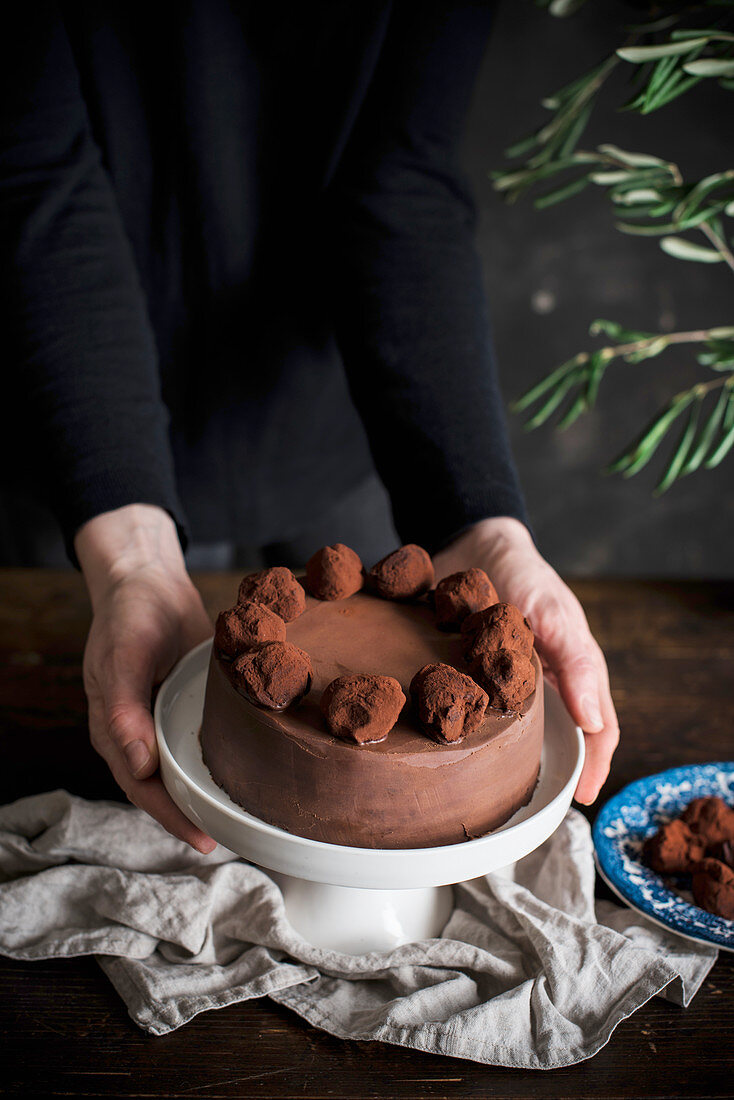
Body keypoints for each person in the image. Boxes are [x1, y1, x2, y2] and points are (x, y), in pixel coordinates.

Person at [3, 2, 619, 854]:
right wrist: (129, 556)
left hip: (336, 437)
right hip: (77, 439)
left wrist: (479, 519)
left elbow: (402, 179)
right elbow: (32, 172)